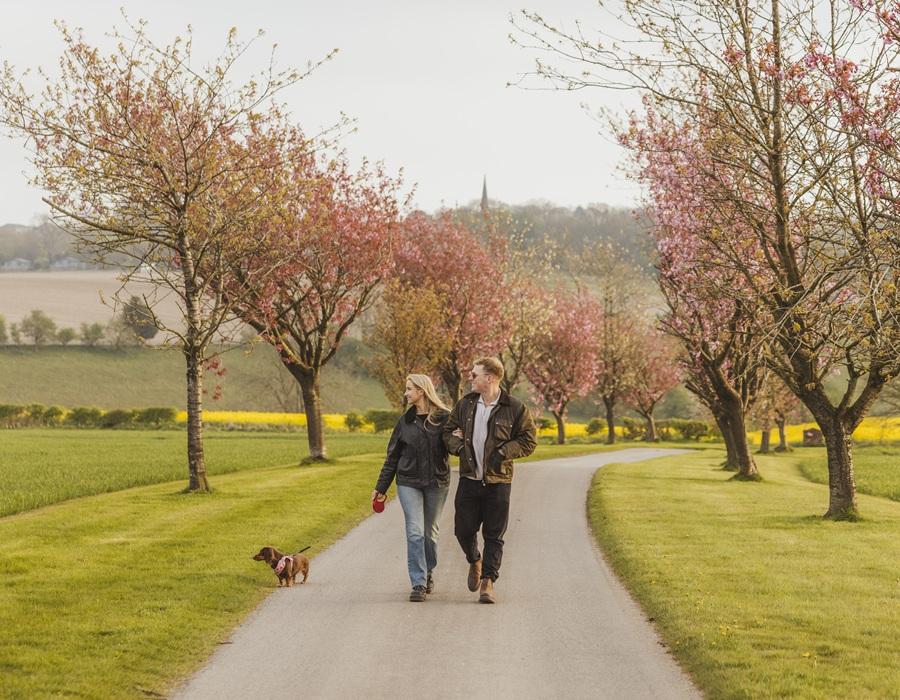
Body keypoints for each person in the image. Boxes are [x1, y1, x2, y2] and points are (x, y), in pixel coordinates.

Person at [443, 356, 536, 604]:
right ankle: (474, 560)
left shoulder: (515, 408)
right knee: (463, 530)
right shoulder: (465, 405)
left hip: (499, 482)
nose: (470, 377)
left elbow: (528, 441)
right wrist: (460, 447)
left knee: (494, 535)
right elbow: (447, 433)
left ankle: (488, 582)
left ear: (490, 378)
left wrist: (503, 452)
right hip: (469, 479)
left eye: (474, 374)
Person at [373, 374, 452, 602]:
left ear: (422, 391)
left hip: (437, 482)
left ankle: (428, 571)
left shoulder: (444, 419)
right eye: (406, 389)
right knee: (415, 532)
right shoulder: (404, 422)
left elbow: (455, 449)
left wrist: (460, 438)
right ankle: (418, 583)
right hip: (408, 482)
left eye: (409, 389)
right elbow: (392, 457)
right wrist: (381, 487)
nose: (406, 393)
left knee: (430, 534)